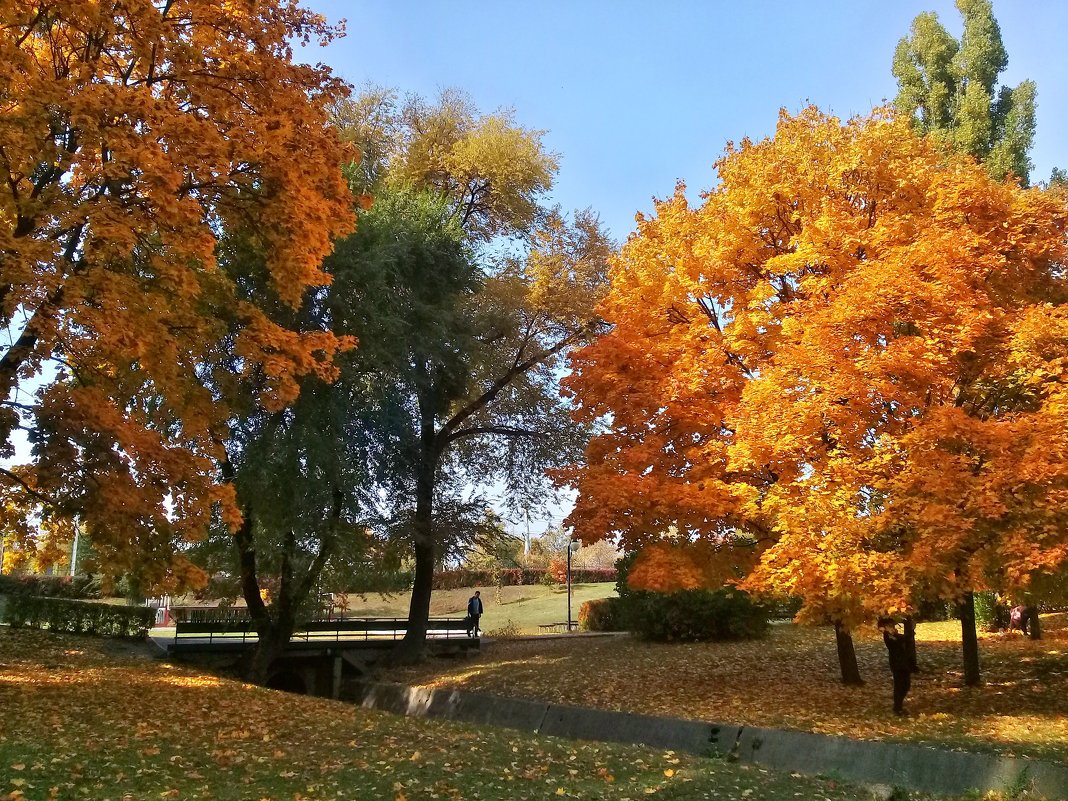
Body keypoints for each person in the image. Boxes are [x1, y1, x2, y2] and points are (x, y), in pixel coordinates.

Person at [880, 618, 911, 715]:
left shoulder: (893, 635)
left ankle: (898, 706)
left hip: (902, 663)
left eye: (893, 625)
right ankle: (897, 708)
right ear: (885, 627)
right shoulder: (888, 636)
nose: (893, 627)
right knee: (899, 686)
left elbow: (903, 638)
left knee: (906, 685)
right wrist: (910, 633)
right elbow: (900, 640)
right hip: (897, 664)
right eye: (890, 626)